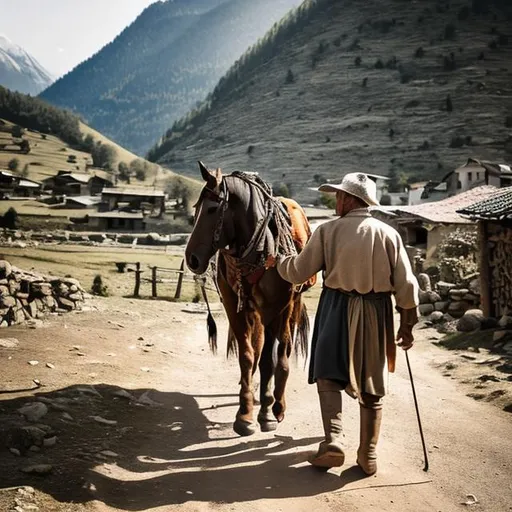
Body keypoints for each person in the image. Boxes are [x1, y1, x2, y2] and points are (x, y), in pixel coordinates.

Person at [274, 172, 419, 475]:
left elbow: (299, 272)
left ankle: (333, 441)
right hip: (376, 312)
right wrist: (407, 322)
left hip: (336, 307)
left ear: (351, 199)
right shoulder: (388, 233)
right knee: (372, 381)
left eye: (340, 195)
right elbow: (406, 283)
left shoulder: (329, 231)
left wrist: (278, 262)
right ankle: (368, 454)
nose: (336, 200)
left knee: (328, 372)